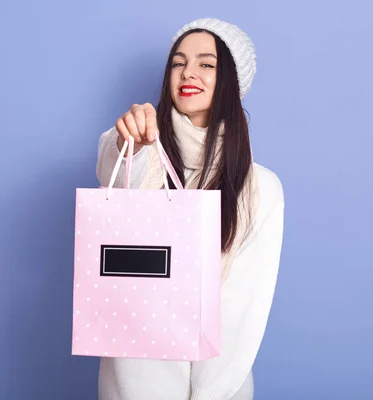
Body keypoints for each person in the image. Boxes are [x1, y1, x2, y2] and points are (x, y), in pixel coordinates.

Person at [95, 17, 285, 400]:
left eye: (206, 63)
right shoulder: (139, 148)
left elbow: (240, 313)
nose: (188, 72)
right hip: (128, 383)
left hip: (217, 389)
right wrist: (131, 143)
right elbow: (117, 177)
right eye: (178, 62)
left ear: (231, 81)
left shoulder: (259, 187)